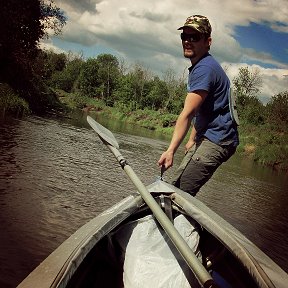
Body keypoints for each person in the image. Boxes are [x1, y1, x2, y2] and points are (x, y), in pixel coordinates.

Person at [158, 15, 239, 196]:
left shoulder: (204, 69)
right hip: (209, 135)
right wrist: (192, 138)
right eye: (184, 37)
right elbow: (204, 110)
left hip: (218, 140)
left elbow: (188, 113)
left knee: (179, 193)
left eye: (194, 37)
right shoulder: (202, 65)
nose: (187, 41)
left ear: (207, 42)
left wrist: (170, 150)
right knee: (176, 185)